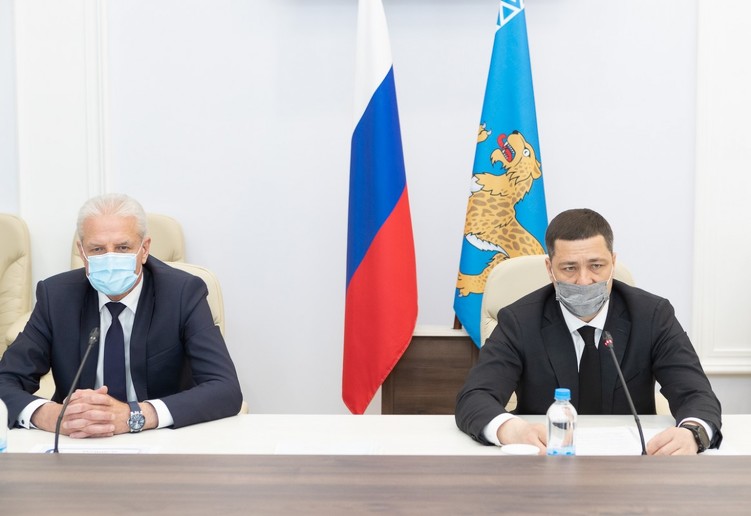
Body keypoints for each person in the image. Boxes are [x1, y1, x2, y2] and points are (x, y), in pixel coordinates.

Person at [455, 208, 722, 455]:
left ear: (613, 262)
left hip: (632, 466)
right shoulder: (520, 321)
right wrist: (511, 430)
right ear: (550, 269)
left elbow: (696, 394)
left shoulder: (652, 315)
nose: (584, 281)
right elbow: (475, 397)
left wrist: (693, 433)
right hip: (546, 460)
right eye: (569, 268)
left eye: (596, 266)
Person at [0, 193, 243, 437]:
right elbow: (5, 380)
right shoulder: (57, 297)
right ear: (82, 252)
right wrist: (51, 416)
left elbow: (225, 388)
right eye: (97, 249)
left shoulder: (182, 293)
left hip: (162, 440)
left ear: (144, 249)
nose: (110, 258)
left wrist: (134, 415)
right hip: (79, 442)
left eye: (122, 248)